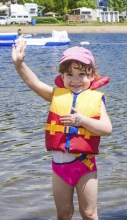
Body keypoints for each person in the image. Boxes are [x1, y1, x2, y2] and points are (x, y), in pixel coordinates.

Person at [11, 42, 112, 220]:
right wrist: (19, 64)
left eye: (82, 74)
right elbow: (33, 82)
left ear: (92, 76)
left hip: (85, 165)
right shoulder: (55, 95)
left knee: (89, 213)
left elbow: (107, 129)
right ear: (62, 76)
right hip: (60, 166)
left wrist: (82, 120)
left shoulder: (96, 100)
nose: (76, 80)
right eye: (70, 75)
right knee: (64, 214)